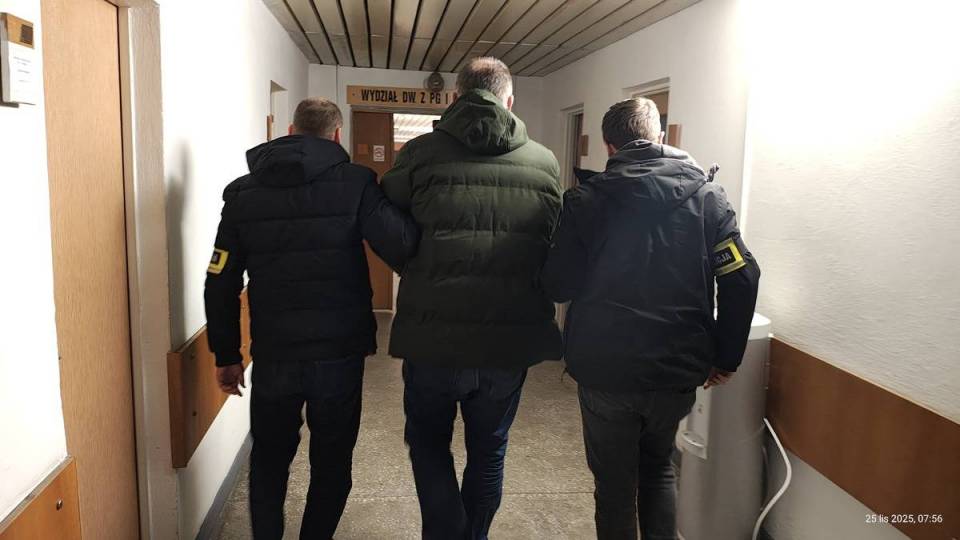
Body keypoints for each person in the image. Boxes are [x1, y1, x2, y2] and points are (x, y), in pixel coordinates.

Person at [541, 97, 761, 540]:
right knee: (658, 468)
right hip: (676, 368)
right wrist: (725, 357)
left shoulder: (585, 202)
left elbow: (558, 285)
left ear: (609, 146)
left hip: (605, 370)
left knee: (614, 487)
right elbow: (742, 277)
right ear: (659, 137)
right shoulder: (708, 199)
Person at [204, 97, 418, 540]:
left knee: (269, 459)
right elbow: (401, 247)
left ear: (290, 130)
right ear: (337, 135)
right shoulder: (356, 183)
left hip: (275, 353)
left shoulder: (242, 193)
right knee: (332, 462)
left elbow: (219, 280)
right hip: (338, 354)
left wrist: (226, 354)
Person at [381, 57, 563, 539]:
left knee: (428, 444)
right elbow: (552, 239)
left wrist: (413, 266)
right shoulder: (544, 162)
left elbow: (387, 218)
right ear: (509, 100)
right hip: (507, 342)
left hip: (432, 336)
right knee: (489, 450)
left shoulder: (419, 153)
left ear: (455, 97)